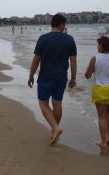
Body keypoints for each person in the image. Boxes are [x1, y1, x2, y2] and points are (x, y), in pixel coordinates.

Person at [28, 14, 77, 145]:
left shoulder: (43, 39)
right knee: (57, 104)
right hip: (61, 77)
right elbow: (73, 61)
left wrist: (31, 75)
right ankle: (54, 129)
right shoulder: (69, 39)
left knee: (43, 103)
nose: (64, 27)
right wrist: (73, 78)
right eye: (64, 24)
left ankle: (55, 128)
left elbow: (36, 59)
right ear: (60, 24)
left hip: (45, 76)